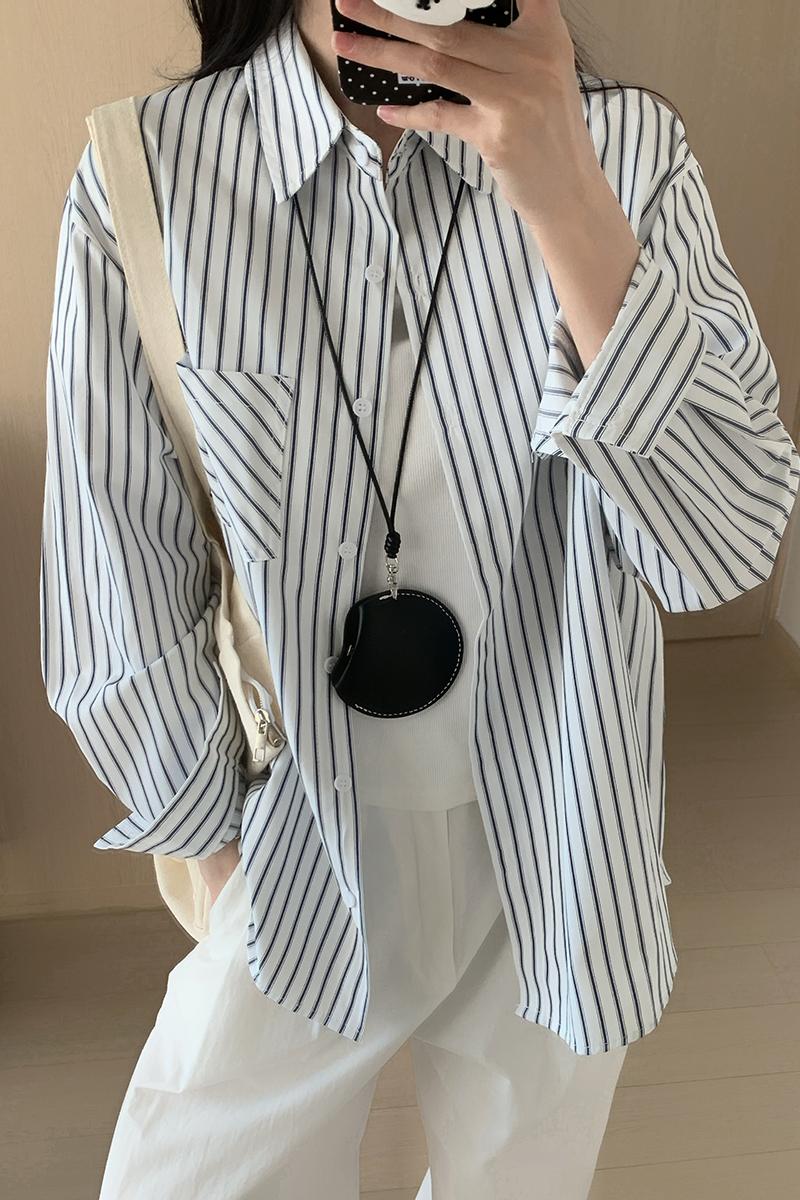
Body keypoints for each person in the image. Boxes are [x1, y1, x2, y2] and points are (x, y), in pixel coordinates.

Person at [38, 0, 800, 1196]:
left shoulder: (624, 152)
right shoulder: (152, 170)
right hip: (293, 840)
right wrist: (214, 851)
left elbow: (721, 544)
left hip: (560, 830)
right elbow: (117, 554)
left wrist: (562, 193)